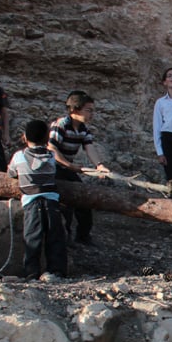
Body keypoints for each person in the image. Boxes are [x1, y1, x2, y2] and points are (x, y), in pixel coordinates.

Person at [7, 119, 67, 281]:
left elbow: (11, 173)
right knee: (55, 236)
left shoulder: (19, 156)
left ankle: (31, 272)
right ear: (47, 139)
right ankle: (56, 270)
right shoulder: (51, 156)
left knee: (32, 236)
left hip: (31, 202)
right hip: (51, 201)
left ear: (25, 138)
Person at [49, 91, 109, 246]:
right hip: (53, 169)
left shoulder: (83, 129)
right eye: (88, 110)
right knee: (66, 203)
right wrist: (69, 166)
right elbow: (52, 149)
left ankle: (83, 236)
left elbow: (89, 148)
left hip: (67, 168)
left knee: (83, 199)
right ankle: (65, 238)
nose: (91, 114)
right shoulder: (60, 125)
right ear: (75, 109)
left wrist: (99, 166)